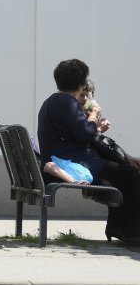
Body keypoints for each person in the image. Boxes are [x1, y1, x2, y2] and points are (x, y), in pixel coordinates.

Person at [37, 59, 140, 244]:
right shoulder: (67, 102)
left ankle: (118, 228)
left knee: (121, 175)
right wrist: (92, 117)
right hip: (75, 163)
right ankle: (132, 233)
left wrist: (95, 128)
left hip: (65, 160)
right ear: (80, 84)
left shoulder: (51, 101)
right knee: (131, 175)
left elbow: (79, 134)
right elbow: (84, 134)